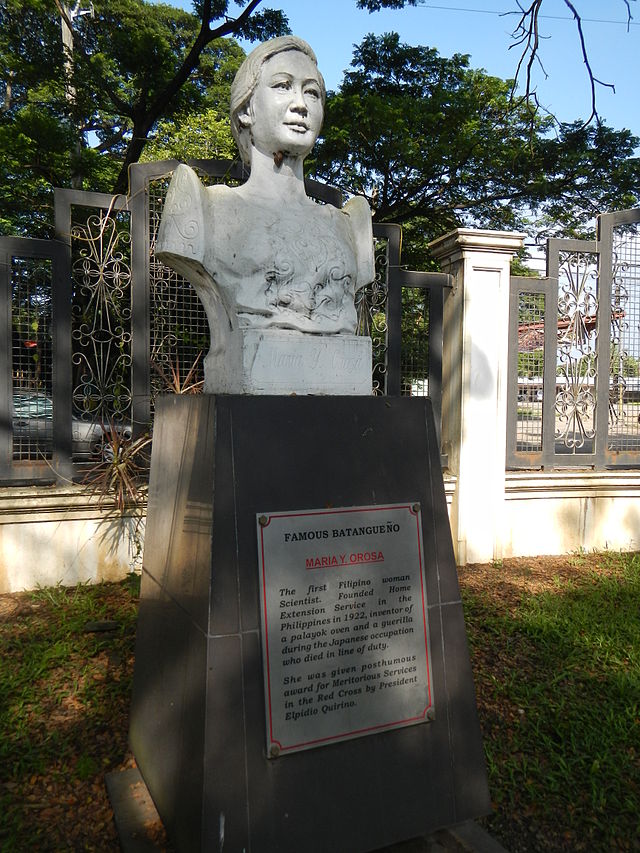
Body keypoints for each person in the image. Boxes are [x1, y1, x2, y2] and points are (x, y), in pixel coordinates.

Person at [156, 36, 374, 339]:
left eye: (312, 93)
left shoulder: (348, 224)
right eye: (283, 86)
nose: (301, 104)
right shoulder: (207, 207)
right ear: (246, 109)